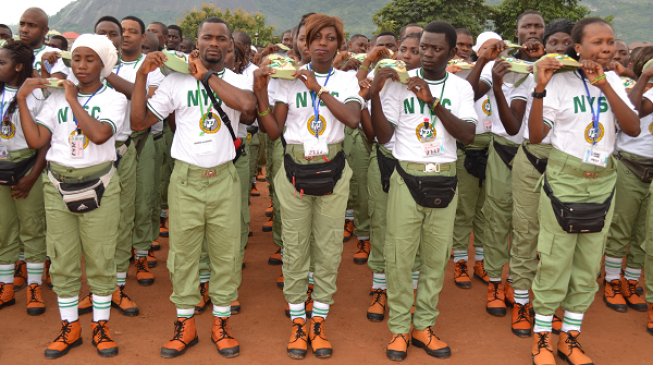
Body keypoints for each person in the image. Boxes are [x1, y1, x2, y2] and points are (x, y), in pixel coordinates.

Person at [130, 17, 256, 358]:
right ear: (196, 42)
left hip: (224, 179)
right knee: (183, 255)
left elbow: (247, 108)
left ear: (230, 46)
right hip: (185, 180)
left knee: (226, 254)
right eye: (207, 37)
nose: (214, 43)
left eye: (221, 38)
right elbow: (139, 121)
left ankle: (221, 323)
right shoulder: (175, 82)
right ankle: (185, 324)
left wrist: (207, 76)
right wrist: (142, 76)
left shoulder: (237, 80)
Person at [528, 18, 639, 365]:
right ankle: (543, 336)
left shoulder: (615, 82)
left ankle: (570, 338)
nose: (605, 48)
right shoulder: (559, 82)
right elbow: (534, 135)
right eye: (597, 42)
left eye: (610, 42)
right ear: (578, 47)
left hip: (603, 179)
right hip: (565, 178)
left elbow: (632, 127)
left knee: (588, 264)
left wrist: (605, 85)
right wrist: (539, 89)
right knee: (556, 260)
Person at [253, 13, 362, 359]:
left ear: (339, 45)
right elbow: (273, 131)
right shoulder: (288, 80)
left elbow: (352, 119)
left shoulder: (345, 80)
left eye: (330, 39)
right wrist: (260, 95)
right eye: (314, 38)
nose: (321, 44)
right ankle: (299, 321)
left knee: (329, 247)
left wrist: (318, 88)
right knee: (295, 244)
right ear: (304, 43)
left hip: (333, 165)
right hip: (294, 166)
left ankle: (320, 321)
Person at [371, 20, 477, 361]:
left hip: (444, 177)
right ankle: (400, 329)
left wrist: (432, 103)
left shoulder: (460, 88)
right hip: (406, 176)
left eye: (435, 49)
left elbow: (467, 136)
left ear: (451, 52)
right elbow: (384, 137)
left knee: (435, 258)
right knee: (400, 258)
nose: (427, 55)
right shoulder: (396, 86)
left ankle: (424, 326)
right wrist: (375, 93)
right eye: (423, 48)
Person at [18, 33, 128, 358]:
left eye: (89, 59)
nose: (80, 65)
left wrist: (72, 100)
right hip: (57, 184)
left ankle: (100, 326)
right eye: (76, 58)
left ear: (104, 64)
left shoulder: (113, 99)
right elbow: (37, 140)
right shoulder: (54, 97)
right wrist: (23, 100)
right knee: (63, 259)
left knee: (100, 257)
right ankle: (70, 327)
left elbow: (98, 135)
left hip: (100, 184)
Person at [466, 11, 545, 318]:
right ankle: (496, 282)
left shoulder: (552, 66)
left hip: (538, 154)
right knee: (497, 216)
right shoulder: (502, 62)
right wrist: (486, 63)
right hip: (504, 149)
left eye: (538, 26)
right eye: (527, 26)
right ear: (517, 31)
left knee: (530, 224)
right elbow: (471, 94)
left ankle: (519, 280)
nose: (533, 30)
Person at [363, 32, 422, 323]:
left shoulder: (428, 88)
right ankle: (379, 288)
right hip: (385, 161)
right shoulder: (384, 83)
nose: (406, 56)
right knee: (382, 223)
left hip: (415, 169)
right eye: (402, 50)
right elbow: (377, 134)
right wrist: (374, 90)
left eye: (414, 50)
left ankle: (409, 289)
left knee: (414, 233)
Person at [602, 47, 653, 314]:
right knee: (621, 226)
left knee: (643, 232)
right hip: (629, 164)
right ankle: (612, 280)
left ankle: (631, 281)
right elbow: (634, 110)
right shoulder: (633, 90)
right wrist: (642, 78)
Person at [451, 31, 503, 290]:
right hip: (468, 145)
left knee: (486, 210)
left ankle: (480, 261)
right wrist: (481, 62)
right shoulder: (461, 72)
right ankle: (460, 259)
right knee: (464, 208)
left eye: (496, 48)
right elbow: (468, 94)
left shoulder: (504, 72)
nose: (491, 52)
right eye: (484, 48)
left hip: (493, 146)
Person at [0, 40, 48, 316]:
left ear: (18, 66)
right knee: (4, 229)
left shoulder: (35, 94)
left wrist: (32, 176)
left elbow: (45, 143)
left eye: (2, 63)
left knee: (31, 228)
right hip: (1, 166)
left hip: (27, 166)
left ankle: (33, 286)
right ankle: (6, 285)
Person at [18, 8, 58, 74]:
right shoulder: (8, 54)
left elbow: (57, 83)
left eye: (32, 25)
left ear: (45, 31)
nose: (24, 30)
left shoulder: (55, 56)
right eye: (22, 24)